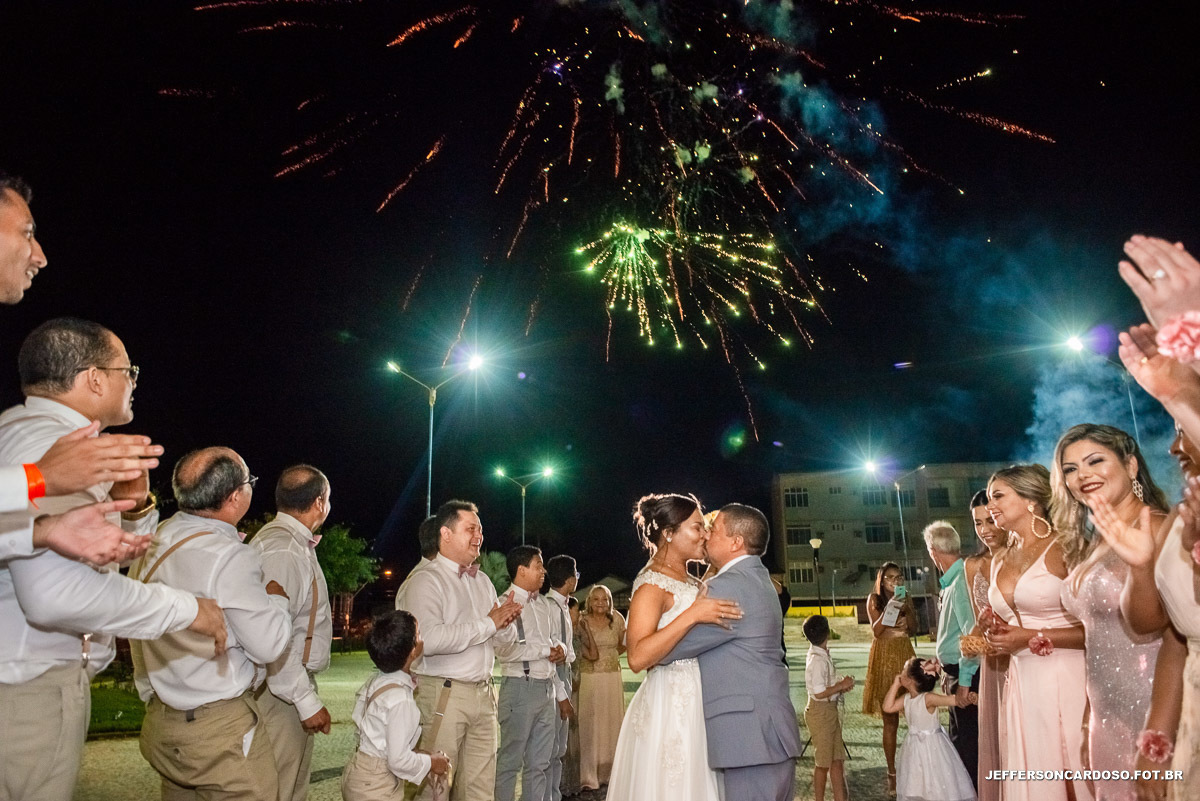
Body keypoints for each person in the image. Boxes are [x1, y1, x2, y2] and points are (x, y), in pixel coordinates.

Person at [0, 319, 228, 801]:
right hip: (28, 689)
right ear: (95, 378)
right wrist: (189, 610)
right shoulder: (55, 450)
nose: (134, 383)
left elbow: (99, 557)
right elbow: (56, 595)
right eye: (130, 370)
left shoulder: (23, 432)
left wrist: (138, 507)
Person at [1, 175, 167, 566]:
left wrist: (43, 530)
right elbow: (58, 594)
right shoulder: (47, 436)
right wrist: (39, 478)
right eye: (27, 233)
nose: (39, 256)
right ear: (93, 377)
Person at [131, 447, 292, 800]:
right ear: (235, 497)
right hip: (219, 733)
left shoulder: (152, 543)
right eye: (249, 481)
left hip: (163, 722)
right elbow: (269, 644)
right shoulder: (229, 556)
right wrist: (277, 598)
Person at [1053, 424, 1169, 801]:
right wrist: (1090, 719)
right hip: (1107, 717)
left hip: (1154, 708)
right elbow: (1096, 641)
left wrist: (1157, 737)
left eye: (1094, 461)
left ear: (1132, 466)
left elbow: (1164, 633)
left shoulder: (1161, 528)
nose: (1081, 474)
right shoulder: (1098, 541)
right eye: (1069, 469)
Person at [658, 503, 802, 801]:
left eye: (715, 529)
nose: (707, 535)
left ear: (736, 542)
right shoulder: (759, 579)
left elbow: (669, 650)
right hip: (767, 734)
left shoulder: (729, 587)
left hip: (749, 739)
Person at [605, 493, 743, 801]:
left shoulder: (692, 581)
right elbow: (637, 657)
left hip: (704, 700)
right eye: (697, 528)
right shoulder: (651, 584)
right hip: (671, 705)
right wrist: (692, 616)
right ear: (669, 533)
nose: (705, 534)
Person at [394, 499, 523, 801]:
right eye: (470, 529)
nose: (478, 536)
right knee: (435, 787)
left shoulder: (483, 582)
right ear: (446, 534)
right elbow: (431, 640)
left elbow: (500, 644)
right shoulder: (425, 581)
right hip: (445, 692)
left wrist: (505, 627)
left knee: (480, 788)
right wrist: (489, 624)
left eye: (480, 529)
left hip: (484, 692)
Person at [984, 464, 1090, 801]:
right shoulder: (1000, 559)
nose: (991, 506)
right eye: (989, 499)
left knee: (1073, 770)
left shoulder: (1068, 548)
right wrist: (998, 637)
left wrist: (1027, 636)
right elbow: (1011, 625)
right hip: (1022, 681)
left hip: (1068, 676)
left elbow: (1100, 630)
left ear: (1031, 499)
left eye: (998, 496)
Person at [250, 465, 335, 801]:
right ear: (319, 502)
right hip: (279, 695)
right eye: (328, 498)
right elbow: (273, 638)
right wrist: (305, 701)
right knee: (280, 789)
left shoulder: (284, 542)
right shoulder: (285, 550)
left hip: (282, 690)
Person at [342, 610, 450, 801]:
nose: (421, 638)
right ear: (412, 651)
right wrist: (432, 763)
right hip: (377, 785)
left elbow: (367, 728)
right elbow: (398, 760)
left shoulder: (376, 682)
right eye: (418, 634)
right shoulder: (401, 700)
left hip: (359, 771)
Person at [493, 545, 561, 801]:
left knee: (539, 763)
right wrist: (546, 649)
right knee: (510, 762)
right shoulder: (502, 604)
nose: (543, 571)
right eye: (538, 565)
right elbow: (505, 652)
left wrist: (561, 649)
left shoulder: (543, 604)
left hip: (547, 688)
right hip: (520, 688)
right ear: (521, 570)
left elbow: (555, 639)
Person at [923, 521, 979, 790]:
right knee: (962, 742)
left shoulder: (959, 583)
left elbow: (972, 636)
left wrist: (965, 681)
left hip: (964, 676)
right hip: (954, 671)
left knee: (966, 745)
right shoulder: (953, 580)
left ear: (933, 551)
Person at [881, 657, 976, 801]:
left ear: (910, 679)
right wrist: (895, 685)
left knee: (935, 782)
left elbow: (954, 700)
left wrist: (970, 698)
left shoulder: (928, 698)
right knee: (917, 783)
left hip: (933, 748)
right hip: (914, 749)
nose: (900, 674)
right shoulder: (906, 699)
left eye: (903, 671)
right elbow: (887, 707)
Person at [962, 490, 1006, 801]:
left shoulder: (1023, 556)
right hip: (993, 666)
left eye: (990, 520)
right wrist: (970, 641)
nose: (985, 529)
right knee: (999, 740)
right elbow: (980, 620)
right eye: (978, 523)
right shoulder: (973, 565)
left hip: (1027, 655)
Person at [861, 561, 916, 793]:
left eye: (899, 576)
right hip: (884, 656)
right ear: (882, 580)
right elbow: (876, 630)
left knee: (916, 711)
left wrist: (907, 612)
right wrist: (890, 607)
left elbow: (913, 628)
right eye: (891, 577)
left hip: (904, 652)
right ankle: (891, 773)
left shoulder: (907, 598)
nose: (896, 581)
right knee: (890, 719)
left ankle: (918, 765)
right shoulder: (874, 599)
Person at [576, 584, 626, 791]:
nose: (600, 603)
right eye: (596, 599)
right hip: (590, 678)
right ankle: (590, 775)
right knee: (591, 725)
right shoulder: (581, 620)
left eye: (604, 599)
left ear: (609, 601)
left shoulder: (617, 620)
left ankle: (611, 773)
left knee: (612, 723)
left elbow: (623, 645)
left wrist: (610, 658)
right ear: (589, 601)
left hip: (612, 677)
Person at [803, 614, 853, 801]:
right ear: (827, 633)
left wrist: (840, 686)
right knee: (822, 763)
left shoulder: (821, 655)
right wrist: (840, 686)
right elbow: (819, 692)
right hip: (820, 711)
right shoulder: (817, 660)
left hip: (828, 710)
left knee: (836, 760)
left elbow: (825, 687)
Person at [544, 554, 578, 801]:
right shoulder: (550, 608)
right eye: (575, 575)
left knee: (559, 749)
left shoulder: (564, 605)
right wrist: (562, 695)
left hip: (564, 674)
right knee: (550, 749)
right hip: (554, 679)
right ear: (569, 580)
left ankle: (554, 795)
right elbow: (553, 657)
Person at [560, 596, 583, 799]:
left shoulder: (577, 634)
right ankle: (562, 783)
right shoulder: (564, 634)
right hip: (566, 687)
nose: (579, 614)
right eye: (576, 610)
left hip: (576, 685)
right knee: (564, 737)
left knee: (573, 738)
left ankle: (572, 781)